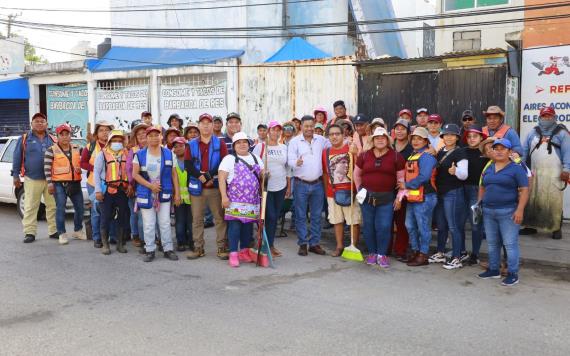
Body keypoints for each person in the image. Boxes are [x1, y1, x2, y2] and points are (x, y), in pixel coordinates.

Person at [477, 138, 529, 286]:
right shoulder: (489, 168)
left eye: (503, 149)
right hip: (488, 211)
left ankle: (513, 273)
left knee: (510, 244)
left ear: (509, 152)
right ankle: (494, 269)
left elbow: (524, 190)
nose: (499, 151)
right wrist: (479, 203)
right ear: (492, 151)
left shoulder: (516, 168)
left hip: (508, 211)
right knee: (493, 243)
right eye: (496, 149)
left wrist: (520, 210)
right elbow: (482, 186)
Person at [356, 127, 404, 268]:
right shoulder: (364, 156)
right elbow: (356, 175)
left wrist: (399, 198)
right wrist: (359, 190)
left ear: (388, 140)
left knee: (384, 227)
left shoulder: (396, 157)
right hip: (366, 198)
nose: (380, 140)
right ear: (373, 140)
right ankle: (372, 253)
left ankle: (382, 254)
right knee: (369, 226)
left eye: (383, 137)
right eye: (377, 138)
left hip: (386, 199)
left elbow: (402, 180)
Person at [184, 113, 229, 260]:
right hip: (197, 187)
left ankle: (222, 247)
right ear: (198, 125)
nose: (205, 125)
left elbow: (224, 162)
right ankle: (198, 248)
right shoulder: (190, 144)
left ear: (212, 125)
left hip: (215, 186)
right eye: (202, 123)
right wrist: (201, 177)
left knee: (219, 218)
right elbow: (188, 165)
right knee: (197, 219)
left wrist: (209, 176)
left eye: (208, 123)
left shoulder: (219, 143)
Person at [521, 106, 570, 239]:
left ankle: (555, 228)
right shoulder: (532, 132)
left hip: (555, 173)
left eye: (549, 116)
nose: (546, 118)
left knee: (554, 200)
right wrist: (521, 167)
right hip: (534, 172)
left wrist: (567, 169)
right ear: (540, 117)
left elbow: (568, 152)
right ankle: (530, 226)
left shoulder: (562, 133)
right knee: (532, 198)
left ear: (554, 118)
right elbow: (524, 151)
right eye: (544, 116)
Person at [132, 126, 179, 262]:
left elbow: (174, 175)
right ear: (146, 138)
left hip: (164, 193)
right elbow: (135, 174)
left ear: (161, 137)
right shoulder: (139, 155)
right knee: (149, 223)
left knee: (165, 222)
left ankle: (167, 249)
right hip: (146, 193)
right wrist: (150, 186)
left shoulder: (169, 153)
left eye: (156, 135)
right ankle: (150, 249)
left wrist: (177, 194)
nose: (153, 138)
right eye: (150, 135)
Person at [219, 132, 265, 267]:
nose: (242, 144)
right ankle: (233, 253)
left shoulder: (256, 158)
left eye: (244, 142)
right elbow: (221, 178)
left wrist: (266, 174)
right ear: (234, 145)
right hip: (234, 200)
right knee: (235, 226)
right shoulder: (229, 159)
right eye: (238, 142)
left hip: (252, 200)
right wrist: (224, 196)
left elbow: (262, 175)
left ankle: (244, 252)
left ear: (249, 144)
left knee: (247, 227)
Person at [288, 115, 330, 256]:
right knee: (300, 215)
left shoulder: (321, 140)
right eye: (306, 126)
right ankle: (303, 244)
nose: (309, 128)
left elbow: (336, 145)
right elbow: (290, 160)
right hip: (301, 184)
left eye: (311, 126)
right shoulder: (294, 142)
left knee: (317, 216)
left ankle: (314, 243)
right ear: (301, 127)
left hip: (318, 184)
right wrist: (296, 163)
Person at [12, 113, 58, 243]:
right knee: (31, 206)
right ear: (31, 124)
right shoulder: (25, 138)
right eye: (36, 121)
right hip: (32, 178)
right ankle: (29, 232)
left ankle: (53, 230)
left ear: (46, 124)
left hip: (51, 179)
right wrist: (15, 175)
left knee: (52, 206)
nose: (39, 123)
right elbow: (17, 157)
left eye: (42, 121)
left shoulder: (53, 139)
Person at [429, 124, 469, 270]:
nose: (449, 137)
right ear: (443, 137)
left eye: (452, 135)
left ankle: (456, 257)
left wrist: (456, 171)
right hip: (440, 192)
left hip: (453, 192)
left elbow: (464, 175)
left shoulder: (460, 153)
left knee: (454, 226)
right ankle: (440, 252)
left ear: (457, 137)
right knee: (441, 226)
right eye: (446, 134)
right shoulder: (440, 152)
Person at [399, 127, 438, 266]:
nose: (415, 141)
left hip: (425, 197)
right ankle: (415, 250)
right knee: (409, 225)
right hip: (413, 197)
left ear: (426, 141)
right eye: (414, 138)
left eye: (419, 139)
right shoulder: (412, 155)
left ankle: (423, 254)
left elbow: (424, 177)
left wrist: (406, 185)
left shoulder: (427, 157)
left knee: (423, 227)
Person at [322, 124, 362, 257]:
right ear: (328, 136)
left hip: (350, 190)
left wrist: (356, 152)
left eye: (337, 134)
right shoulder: (326, 152)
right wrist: (326, 191)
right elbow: (325, 173)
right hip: (332, 192)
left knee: (353, 221)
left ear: (343, 135)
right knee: (336, 220)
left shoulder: (350, 148)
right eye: (331, 134)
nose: (334, 136)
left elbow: (360, 166)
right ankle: (339, 246)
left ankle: (353, 246)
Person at [252, 121, 290, 257]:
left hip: (280, 186)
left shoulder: (283, 147)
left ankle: (270, 245)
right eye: (273, 130)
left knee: (274, 218)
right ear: (269, 131)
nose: (276, 133)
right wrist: (262, 173)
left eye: (278, 130)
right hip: (265, 187)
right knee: (269, 216)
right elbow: (253, 165)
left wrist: (288, 185)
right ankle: (261, 243)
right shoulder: (260, 147)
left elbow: (287, 168)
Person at [44, 124, 85, 245]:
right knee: (60, 208)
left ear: (70, 136)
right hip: (58, 184)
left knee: (80, 208)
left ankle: (78, 230)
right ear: (57, 136)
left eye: (67, 134)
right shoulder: (51, 150)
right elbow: (47, 168)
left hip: (75, 183)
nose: (65, 137)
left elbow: (86, 158)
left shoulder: (77, 148)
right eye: (62, 134)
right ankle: (61, 233)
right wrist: (50, 184)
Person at [92, 129, 131, 255]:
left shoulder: (127, 153)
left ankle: (120, 243)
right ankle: (105, 244)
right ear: (109, 141)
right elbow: (96, 173)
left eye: (120, 140)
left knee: (122, 217)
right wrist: (98, 191)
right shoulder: (102, 154)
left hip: (122, 191)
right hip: (107, 191)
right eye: (114, 140)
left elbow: (130, 171)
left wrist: (131, 185)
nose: (117, 142)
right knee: (105, 217)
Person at [81, 119, 116, 248]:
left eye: (107, 130)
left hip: (112, 184)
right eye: (101, 130)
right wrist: (97, 169)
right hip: (94, 184)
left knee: (112, 210)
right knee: (96, 211)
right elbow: (83, 163)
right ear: (97, 133)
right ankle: (97, 238)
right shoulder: (90, 146)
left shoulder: (115, 145)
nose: (104, 133)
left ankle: (112, 236)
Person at [460, 124, 489, 265]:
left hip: (477, 191)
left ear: (481, 137)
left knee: (476, 224)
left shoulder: (486, 153)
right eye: (469, 136)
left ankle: (475, 254)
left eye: (475, 136)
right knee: (459, 222)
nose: (471, 139)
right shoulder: (461, 151)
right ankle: (462, 251)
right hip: (460, 190)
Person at [391, 118, 413, 260]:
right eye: (397, 128)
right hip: (387, 189)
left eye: (403, 128)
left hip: (405, 189)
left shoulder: (412, 149)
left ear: (408, 131)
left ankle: (400, 250)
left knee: (402, 222)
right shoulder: (388, 145)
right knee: (387, 221)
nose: (399, 131)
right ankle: (385, 249)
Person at [126, 120, 148, 251]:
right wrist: (131, 184)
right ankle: (136, 236)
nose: (141, 135)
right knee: (135, 213)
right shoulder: (133, 151)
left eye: (144, 132)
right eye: (138, 133)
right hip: (136, 187)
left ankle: (152, 237)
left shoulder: (156, 148)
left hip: (151, 187)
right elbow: (129, 169)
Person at [172, 136, 193, 252]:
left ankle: (191, 241)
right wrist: (176, 195)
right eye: (176, 147)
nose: (178, 148)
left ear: (186, 147)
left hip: (191, 197)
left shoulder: (191, 161)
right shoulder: (172, 162)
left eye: (181, 146)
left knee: (191, 221)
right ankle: (180, 241)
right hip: (178, 197)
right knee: (180, 221)